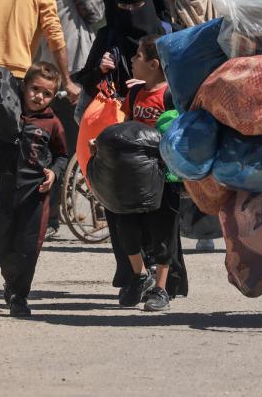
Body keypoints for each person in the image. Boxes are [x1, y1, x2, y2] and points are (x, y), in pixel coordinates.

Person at [91, 32, 187, 312]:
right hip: (132, 178)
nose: (132, 60)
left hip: (162, 176)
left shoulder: (171, 95)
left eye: (137, 56)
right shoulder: (134, 93)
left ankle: (161, 288)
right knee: (126, 229)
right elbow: (128, 128)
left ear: (154, 64)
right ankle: (139, 274)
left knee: (163, 232)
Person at [0, 61, 68, 317]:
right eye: (35, 89)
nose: (39, 96)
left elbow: (62, 156)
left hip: (36, 197)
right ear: (24, 86)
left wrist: (53, 172)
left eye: (47, 93)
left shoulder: (53, 123)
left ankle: (19, 296)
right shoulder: (6, 114)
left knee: (28, 250)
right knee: (1, 249)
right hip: (5, 192)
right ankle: (11, 281)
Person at [38, 0, 105, 239]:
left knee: (49, 139)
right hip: (75, 64)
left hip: (43, 62)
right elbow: (94, 9)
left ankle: (47, 218)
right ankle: (99, 212)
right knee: (82, 137)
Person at [169, 0, 224, 251]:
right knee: (191, 158)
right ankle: (189, 228)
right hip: (187, 95)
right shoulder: (172, 14)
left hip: (218, 92)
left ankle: (212, 230)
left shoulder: (219, 9)